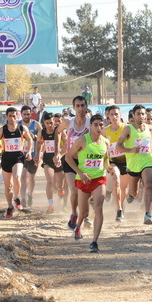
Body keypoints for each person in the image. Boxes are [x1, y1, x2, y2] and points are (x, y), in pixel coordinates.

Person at [65, 114, 109, 253]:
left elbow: (106, 160)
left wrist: (110, 168)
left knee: (98, 207)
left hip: (99, 178)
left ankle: (94, 241)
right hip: (83, 179)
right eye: (95, 124)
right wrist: (80, 172)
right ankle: (78, 226)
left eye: (101, 125)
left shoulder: (106, 142)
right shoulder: (83, 140)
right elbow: (68, 157)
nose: (98, 127)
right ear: (90, 126)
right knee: (83, 212)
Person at [0, 107, 33, 218]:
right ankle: (10, 206)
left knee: (17, 176)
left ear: (17, 116)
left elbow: (30, 139)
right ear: (6, 117)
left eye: (14, 116)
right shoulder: (2, 130)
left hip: (18, 157)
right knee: (8, 185)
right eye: (10, 116)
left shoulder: (22, 128)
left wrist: (28, 151)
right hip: (6, 158)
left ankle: (17, 197)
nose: (12, 118)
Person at [57, 96, 91, 230]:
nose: (80, 108)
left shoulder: (91, 123)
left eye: (83, 105)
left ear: (86, 106)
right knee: (74, 191)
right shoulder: (68, 122)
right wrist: (56, 152)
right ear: (73, 108)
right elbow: (57, 132)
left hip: (85, 161)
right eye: (78, 106)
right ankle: (74, 213)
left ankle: (85, 214)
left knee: (85, 191)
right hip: (70, 161)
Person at [117, 104, 152, 225]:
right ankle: (130, 193)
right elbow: (118, 147)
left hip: (147, 161)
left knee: (148, 185)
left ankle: (148, 214)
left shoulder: (149, 128)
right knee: (134, 193)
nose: (141, 116)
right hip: (133, 165)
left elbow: (151, 144)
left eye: (143, 114)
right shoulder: (128, 129)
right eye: (138, 114)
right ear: (133, 115)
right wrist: (131, 150)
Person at [104, 105, 130, 222]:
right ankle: (119, 210)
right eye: (111, 115)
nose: (114, 117)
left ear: (120, 115)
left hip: (127, 161)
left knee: (124, 189)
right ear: (108, 117)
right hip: (113, 161)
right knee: (116, 180)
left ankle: (121, 205)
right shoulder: (105, 131)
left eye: (116, 114)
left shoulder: (126, 128)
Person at [35, 113, 63, 213]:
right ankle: (50, 205)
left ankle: (60, 193)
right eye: (47, 123)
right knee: (50, 181)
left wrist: (60, 153)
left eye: (51, 123)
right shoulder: (42, 132)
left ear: (54, 122)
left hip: (59, 159)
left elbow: (67, 143)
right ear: (44, 123)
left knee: (59, 184)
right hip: (47, 159)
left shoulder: (59, 131)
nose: (49, 125)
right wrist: (37, 154)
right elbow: (39, 142)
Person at [20, 106, 42, 207]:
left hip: (33, 155)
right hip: (21, 154)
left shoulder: (36, 124)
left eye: (28, 114)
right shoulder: (18, 125)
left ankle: (30, 195)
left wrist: (38, 154)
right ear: (21, 114)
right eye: (24, 114)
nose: (26, 116)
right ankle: (23, 198)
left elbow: (42, 140)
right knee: (23, 176)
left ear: (31, 114)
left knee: (31, 177)